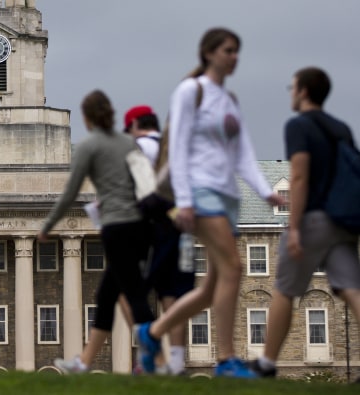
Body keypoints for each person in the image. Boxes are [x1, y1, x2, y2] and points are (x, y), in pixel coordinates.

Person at [135, 27, 284, 378]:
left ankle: (151, 333)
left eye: (237, 51)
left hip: (227, 194)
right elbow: (181, 146)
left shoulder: (229, 100)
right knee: (234, 267)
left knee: (212, 287)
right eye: (228, 50)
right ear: (209, 53)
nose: (234, 57)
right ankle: (227, 359)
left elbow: (244, 154)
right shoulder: (191, 91)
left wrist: (266, 192)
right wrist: (184, 200)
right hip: (200, 192)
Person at [251, 67, 360, 378]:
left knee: (284, 290)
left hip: (313, 217)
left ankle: (267, 363)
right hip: (342, 221)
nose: (291, 93)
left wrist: (294, 226)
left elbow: (298, 175)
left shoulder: (299, 126)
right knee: (352, 289)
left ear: (302, 92)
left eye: (292, 87)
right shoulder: (342, 128)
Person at [43, 90, 155, 374]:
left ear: (87, 118)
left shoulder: (89, 146)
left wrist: (48, 224)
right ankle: (83, 362)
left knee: (132, 296)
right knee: (107, 296)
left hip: (116, 228)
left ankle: (159, 357)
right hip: (140, 227)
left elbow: (70, 193)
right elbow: (148, 185)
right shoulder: (130, 145)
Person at [123, 105, 196, 375]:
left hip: (150, 228)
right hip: (179, 227)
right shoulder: (175, 149)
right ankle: (175, 362)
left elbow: (141, 191)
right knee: (171, 296)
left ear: (134, 126)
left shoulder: (138, 149)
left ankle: (152, 353)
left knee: (125, 291)